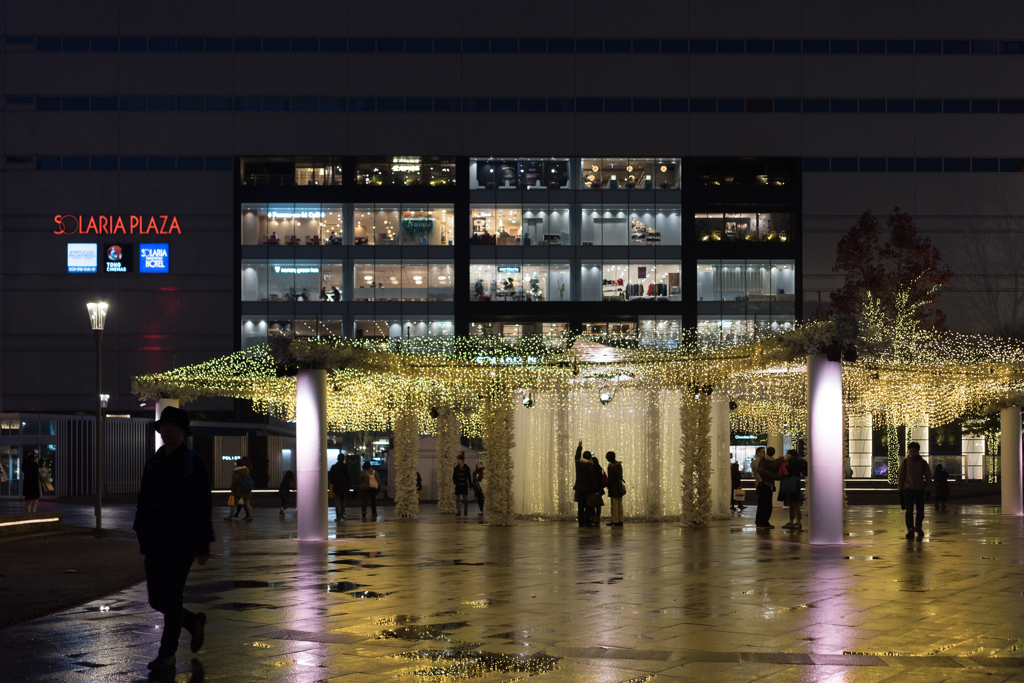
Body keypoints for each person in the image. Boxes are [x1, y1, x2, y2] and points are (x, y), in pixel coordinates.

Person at [132, 406, 213, 673]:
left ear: (183, 432)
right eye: (164, 426)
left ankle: (167, 655)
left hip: (182, 541)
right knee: (158, 600)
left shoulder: (193, 462)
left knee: (172, 596)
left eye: (173, 427)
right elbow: (143, 500)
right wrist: (141, 531)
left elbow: (203, 504)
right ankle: (191, 622)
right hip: (155, 541)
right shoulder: (152, 462)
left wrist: (203, 544)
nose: (168, 431)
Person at [898, 442, 933, 539]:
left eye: (914, 451)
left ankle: (918, 526)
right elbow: (901, 477)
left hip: (919, 489)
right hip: (908, 489)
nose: (913, 453)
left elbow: (928, 476)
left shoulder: (922, 463)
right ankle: (910, 529)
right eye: (911, 451)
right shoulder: (905, 463)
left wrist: (928, 490)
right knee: (909, 510)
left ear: (918, 451)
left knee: (920, 511)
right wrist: (900, 490)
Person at [754, 446, 783, 529]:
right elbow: (765, 470)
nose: (764, 453)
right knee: (763, 504)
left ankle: (764, 521)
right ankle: (760, 521)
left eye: (765, 452)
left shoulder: (765, 461)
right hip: (762, 485)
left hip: (768, 485)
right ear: (758, 453)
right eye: (762, 452)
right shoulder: (758, 462)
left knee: (767, 504)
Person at [572, 441, 598, 527]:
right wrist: (595, 489)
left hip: (579, 488)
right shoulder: (590, 466)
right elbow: (592, 479)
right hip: (588, 489)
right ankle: (587, 522)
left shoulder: (578, 464)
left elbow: (577, 457)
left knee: (580, 506)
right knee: (588, 506)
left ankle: (581, 522)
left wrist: (579, 447)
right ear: (590, 458)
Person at [779, 449, 807, 530]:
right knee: (793, 503)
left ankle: (796, 522)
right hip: (795, 483)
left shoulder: (793, 461)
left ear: (791, 454)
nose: (787, 455)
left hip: (792, 483)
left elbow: (791, 471)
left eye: (788, 454)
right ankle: (795, 522)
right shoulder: (797, 461)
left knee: (793, 504)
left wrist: (787, 463)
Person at [227, 456, 254, 521]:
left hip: (239, 490)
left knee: (234, 503)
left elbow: (234, 482)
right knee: (247, 503)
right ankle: (250, 516)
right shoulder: (246, 470)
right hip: (247, 489)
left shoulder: (236, 471)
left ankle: (230, 516)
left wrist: (232, 490)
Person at [605, 452, 625, 527]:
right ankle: (620, 520)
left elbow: (611, 478)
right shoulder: (619, 465)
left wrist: (608, 486)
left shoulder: (611, 466)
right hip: (619, 486)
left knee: (614, 504)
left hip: (613, 487)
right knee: (620, 503)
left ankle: (615, 520)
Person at [591, 454, 606, 525]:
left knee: (592, 504)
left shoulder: (591, 469)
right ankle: (598, 518)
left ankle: (593, 519)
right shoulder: (599, 468)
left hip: (593, 489)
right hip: (599, 489)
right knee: (598, 504)